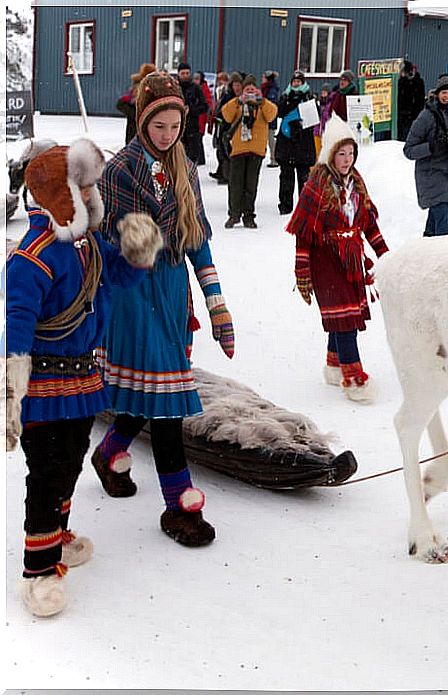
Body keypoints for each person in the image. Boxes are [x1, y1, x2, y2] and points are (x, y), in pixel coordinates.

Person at [5, 140, 162, 617]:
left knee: (70, 464)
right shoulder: (30, 259)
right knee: (47, 475)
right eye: (85, 186)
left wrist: (137, 252)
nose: (94, 195)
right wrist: (9, 395)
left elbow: (115, 276)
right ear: (61, 194)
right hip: (44, 389)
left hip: (82, 384)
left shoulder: (85, 242)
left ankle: (59, 537)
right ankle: (39, 571)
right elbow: (15, 330)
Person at [90, 72, 235, 548]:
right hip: (135, 293)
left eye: (176, 126)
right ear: (142, 121)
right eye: (159, 126)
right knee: (168, 399)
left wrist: (216, 304)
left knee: (154, 391)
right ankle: (179, 506)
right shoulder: (120, 172)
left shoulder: (186, 167)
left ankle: (110, 452)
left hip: (172, 294)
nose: (168, 134)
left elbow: (197, 238)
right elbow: (115, 244)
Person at [286, 116, 389, 402]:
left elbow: (368, 223)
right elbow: (303, 234)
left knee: (347, 316)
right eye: (341, 154)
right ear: (330, 154)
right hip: (326, 262)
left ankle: (334, 365)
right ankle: (354, 379)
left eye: (351, 153)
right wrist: (302, 271)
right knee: (344, 318)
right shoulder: (315, 186)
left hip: (352, 260)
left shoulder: (356, 183)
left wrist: (385, 254)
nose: (347, 159)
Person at [403, 74, 448, 237]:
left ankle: (426, 247)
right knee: (442, 215)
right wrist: (431, 147)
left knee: (435, 217)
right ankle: (443, 252)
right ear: (437, 94)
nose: (446, 96)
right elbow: (409, 150)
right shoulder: (426, 116)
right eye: (443, 93)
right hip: (430, 174)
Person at [221, 74, 278, 228]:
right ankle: (234, 214)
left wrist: (262, 101)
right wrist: (239, 101)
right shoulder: (237, 104)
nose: (251, 92)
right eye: (248, 89)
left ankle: (248, 216)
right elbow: (226, 115)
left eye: (253, 89)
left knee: (250, 186)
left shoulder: (264, 105)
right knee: (235, 185)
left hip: (256, 150)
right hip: (238, 149)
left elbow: (272, 115)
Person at [275, 70, 317, 215]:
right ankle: (285, 205)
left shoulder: (310, 97)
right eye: (294, 81)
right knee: (286, 176)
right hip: (287, 142)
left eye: (299, 81)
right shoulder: (286, 96)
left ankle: (304, 205)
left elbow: (313, 118)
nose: (296, 83)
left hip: (303, 142)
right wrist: (286, 101)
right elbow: (279, 112)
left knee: (304, 176)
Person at [210, 71, 242, 185]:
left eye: (239, 85)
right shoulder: (226, 95)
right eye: (235, 85)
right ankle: (222, 173)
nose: (236, 87)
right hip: (223, 126)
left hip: (233, 128)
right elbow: (220, 111)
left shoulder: (240, 98)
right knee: (222, 151)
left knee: (228, 152)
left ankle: (226, 175)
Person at [176, 62, 209, 165]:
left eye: (187, 73)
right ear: (178, 74)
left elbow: (204, 106)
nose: (185, 76)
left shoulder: (196, 88)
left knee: (191, 160)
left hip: (192, 128)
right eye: (183, 73)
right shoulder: (174, 88)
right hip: (176, 127)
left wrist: (191, 110)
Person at [118, 63, 156, 144]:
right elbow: (121, 104)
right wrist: (134, 114)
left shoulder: (155, 88)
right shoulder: (138, 87)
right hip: (135, 128)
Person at [396, 60, 426, 141]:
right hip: (402, 115)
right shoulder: (401, 81)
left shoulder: (418, 81)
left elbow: (420, 100)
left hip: (413, 115)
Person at [261, 70, 281, 167]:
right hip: (265, 119)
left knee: (271, 140)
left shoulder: (271, 90)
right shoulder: (266, 88)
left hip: (270, 119)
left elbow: (270, 105)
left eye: (263, 77)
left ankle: (275, 159)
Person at [193, 71, 214, 141]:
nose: (195, 81)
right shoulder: (191, 88)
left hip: (200, 121)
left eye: (197, 79)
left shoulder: (204, 89)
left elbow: (208, 104)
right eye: (194, 79)